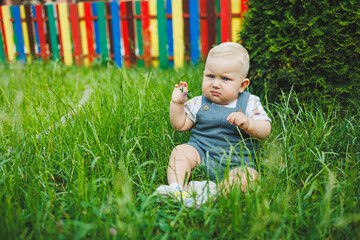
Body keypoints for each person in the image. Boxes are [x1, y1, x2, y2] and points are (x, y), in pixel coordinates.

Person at [156, 42, 271, 207]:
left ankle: (214, 193)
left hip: (239, 162)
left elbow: (266, 129)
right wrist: (177, 104)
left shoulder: (250, 103)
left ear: (242, 85)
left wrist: (249, 124)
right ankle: (177, 188)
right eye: (210, 76)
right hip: (201, 152)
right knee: (180, 151)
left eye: (225, 79)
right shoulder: (198, 102)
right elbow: (180, 125)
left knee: (248, 177)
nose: (216, 84)